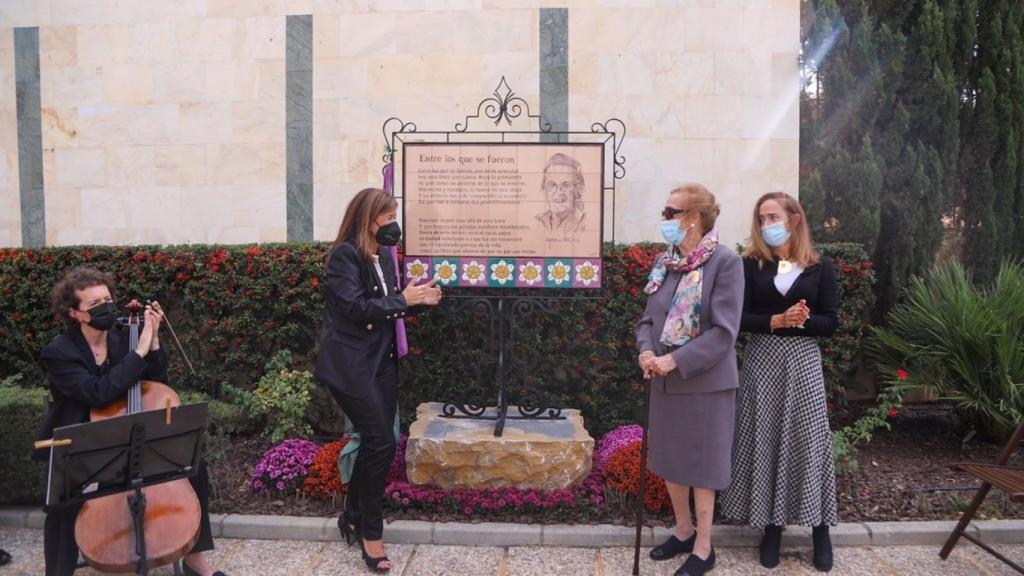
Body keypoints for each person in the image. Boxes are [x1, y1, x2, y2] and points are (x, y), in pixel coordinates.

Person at [35, 267, 225, 576]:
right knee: (62, 502)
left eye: (108, 299)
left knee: (194, 468)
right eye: (95, 304)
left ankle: (194, 559)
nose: (106, 307)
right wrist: (138, 351)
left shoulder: (126, 335)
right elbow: (98, 394)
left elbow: (157, 382)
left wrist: (154, 343)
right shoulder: (59, 353)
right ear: (75, 313)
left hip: (129, 435)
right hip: (84, 445)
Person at [315, 187, 442, 573]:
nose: (394, 225)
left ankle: (353, 515)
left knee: (379, 445)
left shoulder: (384, 257)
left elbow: (389, 308)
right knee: (381, 441)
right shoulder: (345, 257)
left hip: (382, 364)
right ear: (369, 219)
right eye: (388, 218)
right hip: (352, 368)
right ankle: (371, 533)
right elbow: (355, 308)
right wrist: (406, 301)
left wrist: (420, 299)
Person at [720, 191, 839, 572]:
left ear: (794, 219)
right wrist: (774, 321)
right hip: (762, 363)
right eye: (761, 219)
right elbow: (737, 320)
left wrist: (802, 320)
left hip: (803, 365)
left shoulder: (821, 266)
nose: (766, 225)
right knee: (765, 437)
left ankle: (821, 529)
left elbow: (831, 322)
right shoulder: (750, 265)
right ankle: (771, 527)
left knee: (809, 441)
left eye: (773, 217)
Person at [636, 184, 744, 576]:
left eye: (671, 212)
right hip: (665, 379)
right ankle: (682, 530)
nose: (664, 219)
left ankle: (703, 547)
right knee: (670, 460)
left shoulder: (726, 263)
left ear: (694, 218)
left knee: (702, 464)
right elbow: (649, 320)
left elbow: (724, 332)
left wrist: (675, 360)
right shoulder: (666, 262)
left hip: (705, 382)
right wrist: (647, 351)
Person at [535, 152, 587, 233]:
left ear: (578, 189)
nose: (559, 192)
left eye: (565, 185)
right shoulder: (538, 222)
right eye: (552, 185)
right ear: (544, 189)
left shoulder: (585, 222)